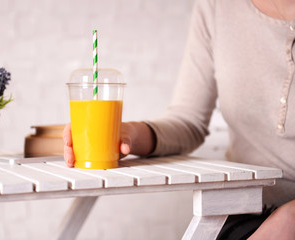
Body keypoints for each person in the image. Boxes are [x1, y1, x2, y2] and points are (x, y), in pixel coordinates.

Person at [63, 0, 295, 239]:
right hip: (243, 212)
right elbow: (188, 120)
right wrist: (127, 134)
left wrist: (291, 218)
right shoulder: (216, 6)